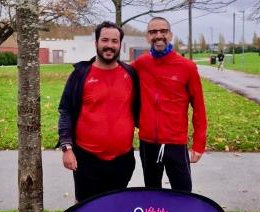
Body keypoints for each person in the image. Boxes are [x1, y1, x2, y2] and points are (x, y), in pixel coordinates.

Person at [57, 21, 139, 202]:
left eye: (114, 41)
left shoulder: (130, 74)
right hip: (87, 159)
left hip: (122, 160)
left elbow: (140, 110)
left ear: (120, 45)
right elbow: (65, 110)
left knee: (114, 209)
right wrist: (66, 147)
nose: (109, 45)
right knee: (85, 209)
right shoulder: (80, 75)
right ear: (96, 43)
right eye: (105, 40)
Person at [132, 17, 207, 192]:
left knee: (183, 194)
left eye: (163, 31)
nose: (158, 35)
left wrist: (199, 144)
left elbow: (199, 108)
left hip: (175, 143)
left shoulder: (187, 67)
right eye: (153, 32)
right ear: (147, 37)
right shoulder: (141, 64)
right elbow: (118, 73)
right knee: (152, 193)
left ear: (170, 35)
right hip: (148, 143)